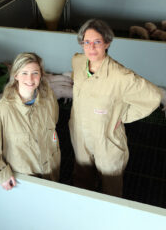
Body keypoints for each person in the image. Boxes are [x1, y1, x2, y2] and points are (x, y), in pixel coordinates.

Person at [69, 19, 162, 197]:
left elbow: (154, 97)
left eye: (97, 42)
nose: (91, 48)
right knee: (82, 179)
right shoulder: (78, 62)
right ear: (81, 44)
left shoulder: (121, 76)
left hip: (106, 139)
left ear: (107, 43)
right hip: (80, 135)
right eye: (86, 42)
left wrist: (123, 115)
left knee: (110, 185)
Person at [0, 52, 60, 190]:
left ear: (41, 75)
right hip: (22, 179)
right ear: (15, 75)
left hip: (51, 171)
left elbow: (54, 122)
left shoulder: (48, 98)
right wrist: (1, 174)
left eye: (35, 72)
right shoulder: (2, 110)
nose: (30, 78)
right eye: (24, 73)